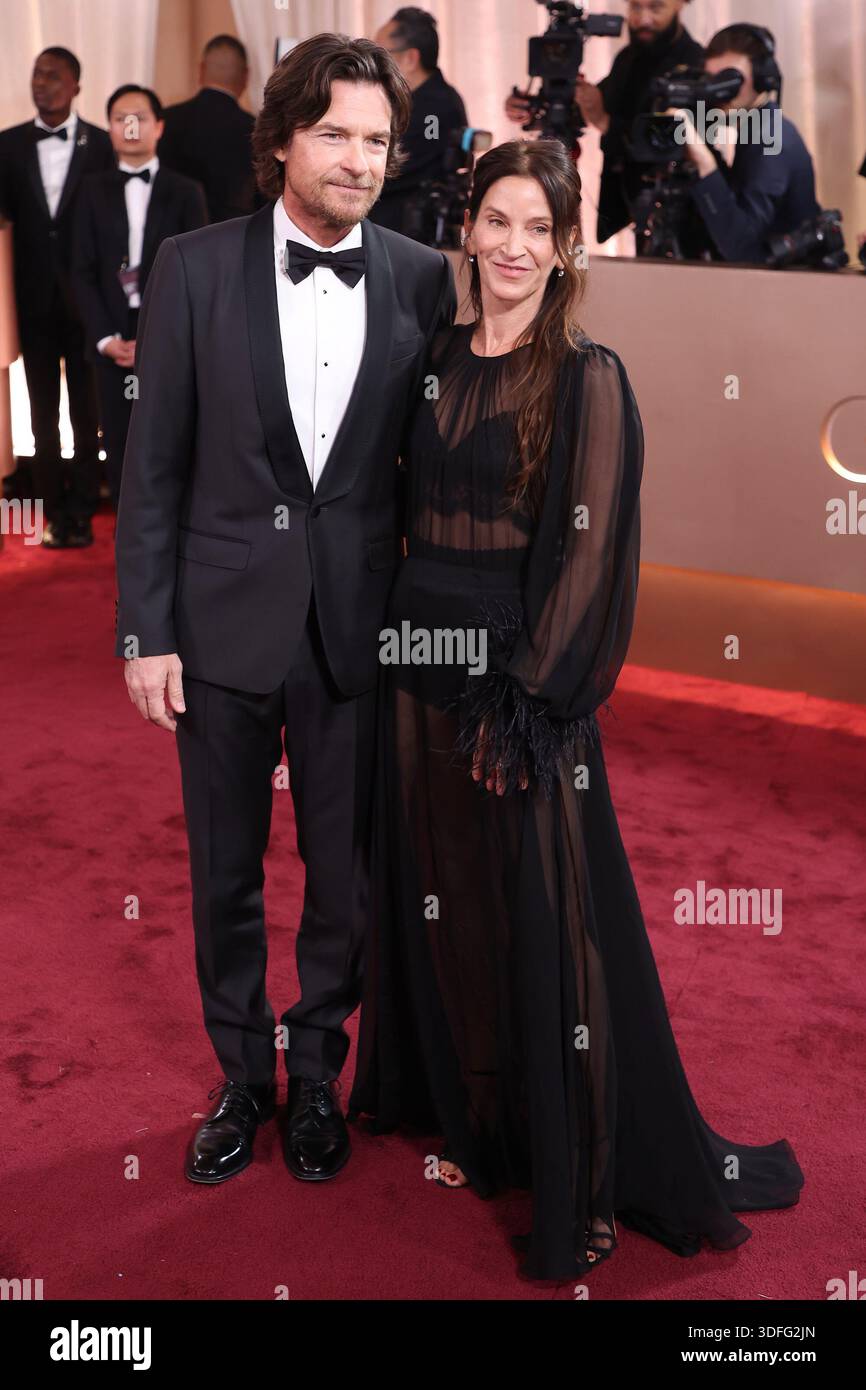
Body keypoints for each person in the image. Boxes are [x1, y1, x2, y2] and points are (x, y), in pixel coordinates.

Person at [348, 137, 805, 1281]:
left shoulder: (586, 374)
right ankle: (489, 1129)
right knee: (450, 914)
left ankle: (582, 1169)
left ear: (564, 250)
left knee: (551, 923)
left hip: (519, 686)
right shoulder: (436, 356)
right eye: (493, 221)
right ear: (468, 228)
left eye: (534, 230)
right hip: (417, 668)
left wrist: (530, 700)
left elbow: (593, 560)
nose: (510, 246)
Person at [114, 34, 456, 1187]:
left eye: (375, 139)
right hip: (214, 625)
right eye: (335, 135)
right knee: (223, 869)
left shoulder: (418, 274)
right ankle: (240, 1078)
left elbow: (426, 472)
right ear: (280, 142)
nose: (359, 160)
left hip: (357, 627)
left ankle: (315, 1071)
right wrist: (144, 630)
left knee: (342, 873)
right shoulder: (194, 267)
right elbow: (151, 465)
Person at [72, 85, 207, 511]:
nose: (130, 126)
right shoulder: (89, 190)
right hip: (110, 335)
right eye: (120, 118)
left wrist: (160, 339)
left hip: (167, 337)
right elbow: (81, 270)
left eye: (140, 117)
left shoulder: (187, 191)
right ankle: (125, 546)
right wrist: (105, 338)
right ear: (109, 128)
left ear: (159, 126)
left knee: (170, 440)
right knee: (116, 442)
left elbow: (198, 275)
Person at [0, 47, 114, 548]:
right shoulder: (5, 146)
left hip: (86, 298)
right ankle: (48, 509)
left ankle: (85, 506)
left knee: (87, 410)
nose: (41, 83)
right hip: (31, 297)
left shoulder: (105, 146)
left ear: (76, 84)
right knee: (42, 408)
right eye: (36, 74)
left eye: (52, 75)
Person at [505, 0, 703, 244]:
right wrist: (532, 109)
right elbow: (591, 107)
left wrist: (603, 120)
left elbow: (673, 140)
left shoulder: (695, 62)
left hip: (677, 212)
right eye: (635, 7)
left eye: (656, 8)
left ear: (680, 5)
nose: (643, 19)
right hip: (634, 205)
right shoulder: (628, 58)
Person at [682, 25, 820, 264]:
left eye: (731, 80)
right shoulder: (756, 127)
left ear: (762, 79)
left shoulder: (771, 139)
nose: (720, 93)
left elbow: (743, 250)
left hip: (793, 290)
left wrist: (704, 163)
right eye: (713, 80)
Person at [369, 7, 467, 237]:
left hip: (404, 234)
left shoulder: (436, 108)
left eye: (380, 55)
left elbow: (395, 168)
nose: (372, 63)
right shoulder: (411, 99)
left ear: (410, 58)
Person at [157, 34, 259, 223]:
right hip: (234, 239)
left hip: (174, 239)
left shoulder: (166, 120)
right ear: (246, 76)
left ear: (201, 70)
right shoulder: (256, 129)